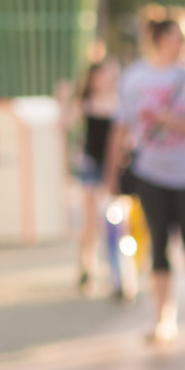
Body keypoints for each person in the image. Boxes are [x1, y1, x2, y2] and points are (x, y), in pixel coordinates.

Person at [107, 6, 185, 343]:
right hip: (151, 172)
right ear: (160, 39)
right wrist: (111, 171)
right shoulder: (135, 77)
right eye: (181, 37)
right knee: (158, 243)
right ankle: (164, 317)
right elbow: (121, 127)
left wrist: (173, 122)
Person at [65, 51, 119, 292]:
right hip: (90, 164)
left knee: (114, 219)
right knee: (90, 222)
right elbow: (67, 124)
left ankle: (118, 271)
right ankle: (87, 265)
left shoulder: (118, 102)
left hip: (113, 166)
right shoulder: (85, 103)